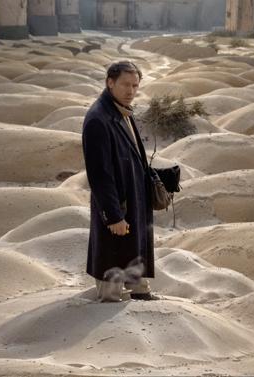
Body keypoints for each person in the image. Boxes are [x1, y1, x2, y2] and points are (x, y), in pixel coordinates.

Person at [82, 61, 157, 302]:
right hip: (117, 201)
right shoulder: (98, 119)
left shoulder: (121, 111)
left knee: (134, 243)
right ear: (110, 82)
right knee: (111, 249)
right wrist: (113, 215)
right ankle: (110, 300)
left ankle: (138, 290)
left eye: (135, 85)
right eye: (125, 84)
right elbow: (99, 174)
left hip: (133, 195)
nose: (131, 91)